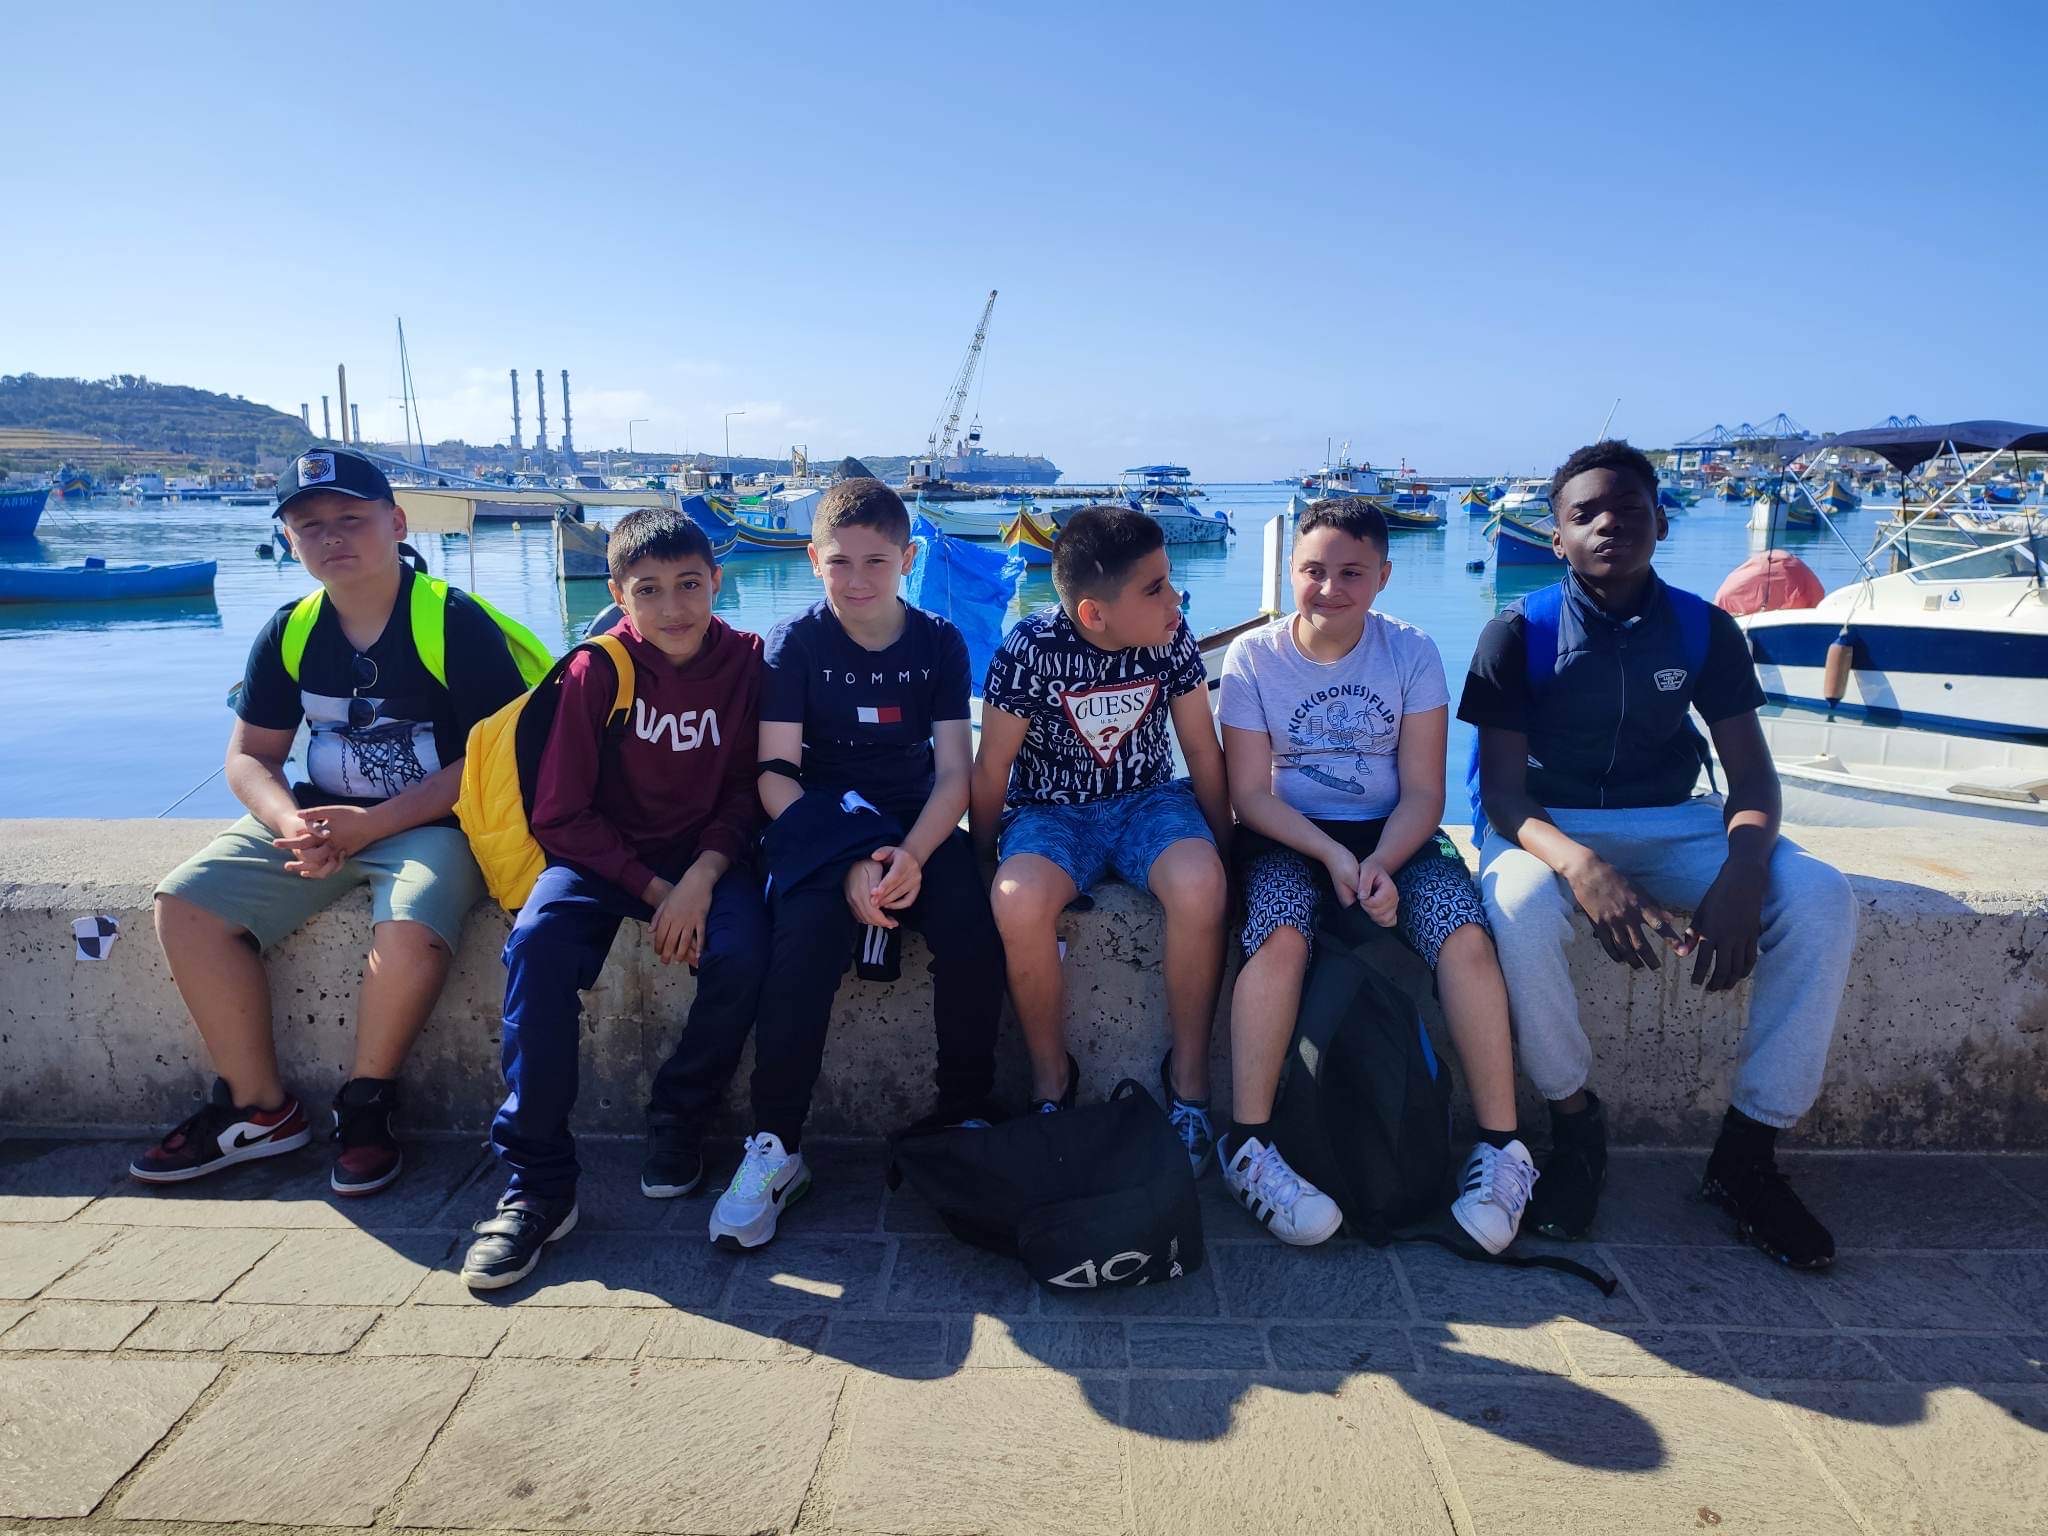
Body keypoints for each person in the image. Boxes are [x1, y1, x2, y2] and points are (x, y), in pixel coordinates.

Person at [1460, 439, 1855, 1270]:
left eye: (1629, 509)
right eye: (1585, 514)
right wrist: (1581, 866)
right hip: (1546, 823)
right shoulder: (1518, 632)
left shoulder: (1705, 629)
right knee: (1519, 909)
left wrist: (1745, 871)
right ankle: (1575, 1125)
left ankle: (1746, 1155)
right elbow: (1502, 796)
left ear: (1662, 523)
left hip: (1677, 820)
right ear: (1557, 537)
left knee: (1822, 897)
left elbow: (1752, 777)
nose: (1609, 524)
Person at [134, 448, 530, 1195]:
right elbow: (250, 756)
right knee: (184, 904)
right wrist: (293, 823)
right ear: (289, 541)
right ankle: (258, 1109)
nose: (332, 536)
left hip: (433, 824)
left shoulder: (452, 621)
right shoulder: (291, 630)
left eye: (351, 517)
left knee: (409, 924)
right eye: (309, 525)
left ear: (397, 523)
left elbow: (492, 761)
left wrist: (369, 828)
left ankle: (366, 1105)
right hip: (316, 818)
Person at [461, 509, 768, 1289]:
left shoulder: (746, 662)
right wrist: (657, 891)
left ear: (717, 581)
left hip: (707, 859)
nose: (673, 607)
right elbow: (561, 814)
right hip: (601, 858)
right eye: (649, 589)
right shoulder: (596, 670)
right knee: (538, 946)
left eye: (689, 584)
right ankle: (538, 1183)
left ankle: (680, 1113)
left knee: (744, 952)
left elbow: (745, 791)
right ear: (617, 593)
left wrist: (699, 879)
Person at [1217, 497, 1534, 1250]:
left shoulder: (1411, 651)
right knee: (1280, 938)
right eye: (1313, 571)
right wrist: (1333, 857)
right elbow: (1250, 794)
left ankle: (1502, 1149)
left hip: (1396, 834)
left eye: (1352, 573)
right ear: (1291, 572)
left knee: (1464, 938)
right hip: (1287, 835)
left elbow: (1425, 791)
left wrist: (1381, 861)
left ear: (1384, 576)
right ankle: (1250, 1145)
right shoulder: (1253, 657)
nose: (1330, 588)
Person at [704, 477, 1002, 1251]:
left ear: (908, 559)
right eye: (840, 562)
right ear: (814, 561)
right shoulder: (796, 644)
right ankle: (777, 1145)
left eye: (877, 561)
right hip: (822, 821)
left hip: (915, 823)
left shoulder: (938, 642)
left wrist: (912, 855)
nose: (858, 579)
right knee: (799, 942)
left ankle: (964, 1112)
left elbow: (954, 773)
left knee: (972, 930)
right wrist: (844, 865)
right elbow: (775, 774)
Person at [973, 504, 1230, 1172]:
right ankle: (1052, 1082)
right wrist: (982, 861)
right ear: (1094, 613)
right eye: (1156, 588)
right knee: (1017, 900)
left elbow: (1201, 750)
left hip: (1149, 803)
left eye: (1170, 581)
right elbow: (993, 766)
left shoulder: (1171, 637)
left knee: (1200, 885)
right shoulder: (1030, 650)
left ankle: (1190, 1086)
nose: (1175, 600)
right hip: (1052, 813)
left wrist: (1225, 847)